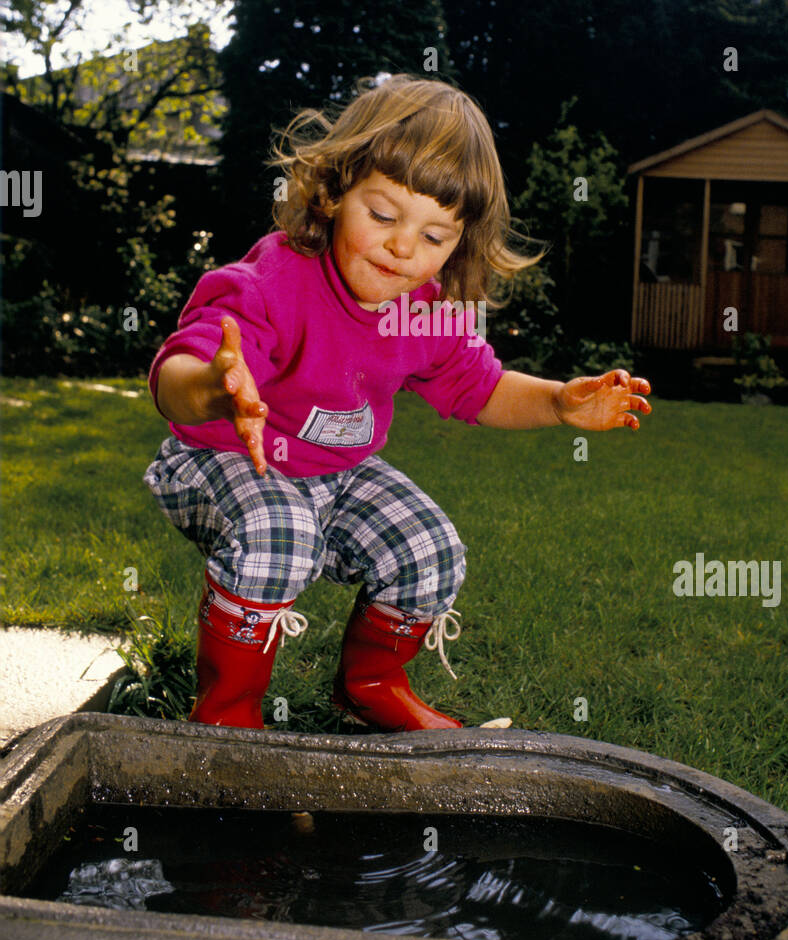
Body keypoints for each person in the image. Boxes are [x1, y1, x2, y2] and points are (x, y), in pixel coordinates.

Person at [143, 74, 651, 732]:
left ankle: (371, 687)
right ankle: (226, 714)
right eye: (383, 216)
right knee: (280, 536)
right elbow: (174, 374)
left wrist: (558, 403)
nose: (404, 246)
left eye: (436, 236)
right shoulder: (273, 282)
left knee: (428, 548)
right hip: (221, 457)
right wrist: (216, 385)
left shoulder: (422, 311)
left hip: (333, 473)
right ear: (331, 193)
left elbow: (480, 387)